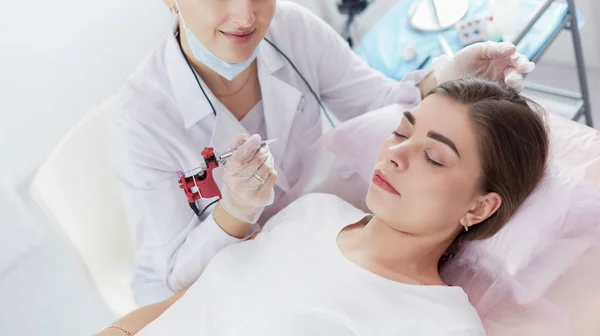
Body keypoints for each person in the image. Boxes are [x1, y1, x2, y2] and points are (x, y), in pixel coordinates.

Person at [109, 0, 537, 305]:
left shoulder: (293, 30)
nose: (246, 17)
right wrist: (234, 212)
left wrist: (445, 77)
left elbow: (379, 104)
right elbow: (173, 275)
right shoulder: (142, 120)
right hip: (210, 283)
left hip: (313, 236)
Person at [99, 78, 549, 335]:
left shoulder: (440, 325)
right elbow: (184, 304)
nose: (395, 153)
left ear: (479, 208)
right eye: (400, 132)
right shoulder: (314, 211)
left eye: (433, 156)